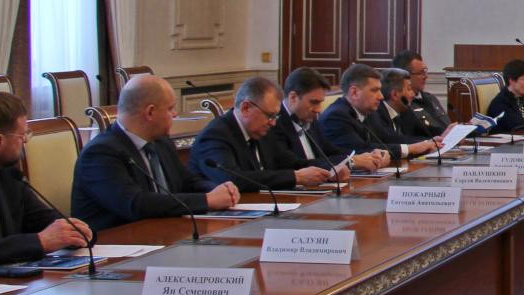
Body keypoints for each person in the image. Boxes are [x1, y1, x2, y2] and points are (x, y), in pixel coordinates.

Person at [73, 75, 241, 233]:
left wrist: (217, 189)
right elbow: (136, 204)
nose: (175, 114)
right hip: (118, 243)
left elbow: (188, 182)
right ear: (150, 112)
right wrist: (207, 200)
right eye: (170, 108)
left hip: (164, 233)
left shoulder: (161, 142)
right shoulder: (100, 154)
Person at [0, 92, 91, 261]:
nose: (26, 141)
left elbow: (40, 219)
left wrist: (73, 232)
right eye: (22, 135)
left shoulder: (7, 175)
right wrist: (40, 241)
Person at [188, 75, 329, 192]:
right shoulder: (215, 135)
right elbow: (233, 179)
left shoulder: (260, 131)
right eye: (270, 115)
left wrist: (328, 171)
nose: (273, 123)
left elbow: (289, 162)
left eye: (276, 116)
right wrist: (295, 177)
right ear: (245, 108)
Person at [319, 64, 437, 163]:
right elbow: (359, 150)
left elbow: (387, 139)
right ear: (354, 92)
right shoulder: (336, 117)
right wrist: (410, 149)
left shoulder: (369, 112)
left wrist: (425, 144)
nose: (381, 96)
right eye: (374, 90)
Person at [264, 68, 368, 176]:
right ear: (293, 97)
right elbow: (294, 164)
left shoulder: (310, 118)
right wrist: (349, 162)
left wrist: (359, 156)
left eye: (320, 102)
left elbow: (330, 151)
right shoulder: (274, 123)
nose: (318, 109)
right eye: (314, 102)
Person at [390, 50, 448, 139]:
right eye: (421, 73)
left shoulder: (430, 98)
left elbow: (445, 125)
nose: (426, 76)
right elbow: (407, 137)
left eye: (425, 71)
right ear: (405, 76)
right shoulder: (401, 104)